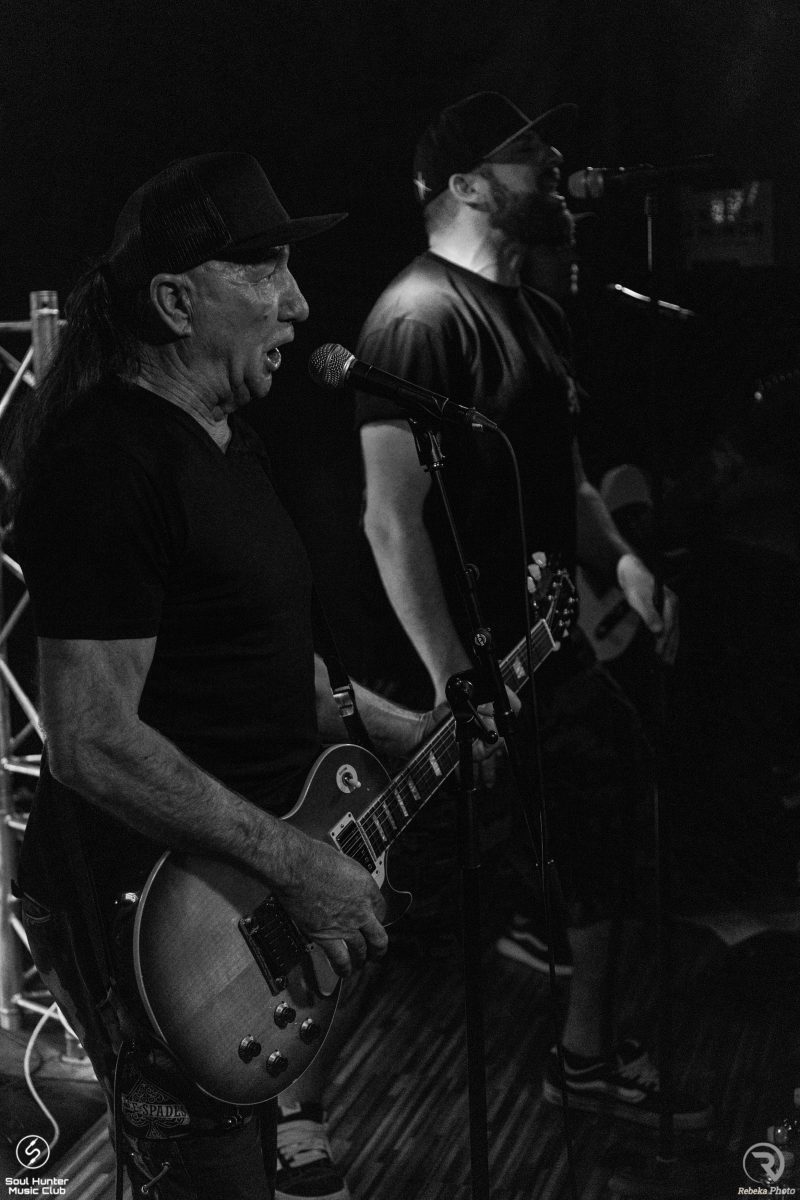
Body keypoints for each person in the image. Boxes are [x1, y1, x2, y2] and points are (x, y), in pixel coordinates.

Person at [3, 152, 451, 1200]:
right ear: (174, 300)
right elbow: (89, 740)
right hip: (157, 925)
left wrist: (403, 729)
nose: (298, 303)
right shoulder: (107, 460)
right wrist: (297, 865)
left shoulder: (225, 439)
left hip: (238, 904)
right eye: (263, 271)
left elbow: (262, 658)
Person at [353, 91, 710, 1130]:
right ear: (467, 185)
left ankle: (583, 1056)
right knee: (389, 894)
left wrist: (622, 563)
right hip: (456, 672)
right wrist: (452, 682)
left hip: (546, 651)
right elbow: (390, 520)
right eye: (526, 153)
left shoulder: (537, 313)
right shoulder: (416, 318)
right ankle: (290, 1108)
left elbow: (569, 474)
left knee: (611, 818)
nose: (553, 159)